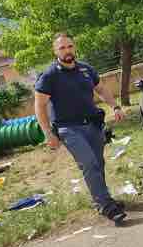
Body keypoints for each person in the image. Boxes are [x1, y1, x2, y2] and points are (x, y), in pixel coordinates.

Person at [34, 33, 127, 225]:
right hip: (69, 129)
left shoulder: (86, 69)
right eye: (62, 48)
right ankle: (107, 206)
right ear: (55, 51)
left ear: (74, 47)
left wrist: (115, 106)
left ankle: (101, 199)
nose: (67, 51)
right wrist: (48, 134)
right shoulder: (50, 75)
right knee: (89, 163)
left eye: (69, 46)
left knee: (98, 164)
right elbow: (40, 106)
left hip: (92, 125)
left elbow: (101, 89)